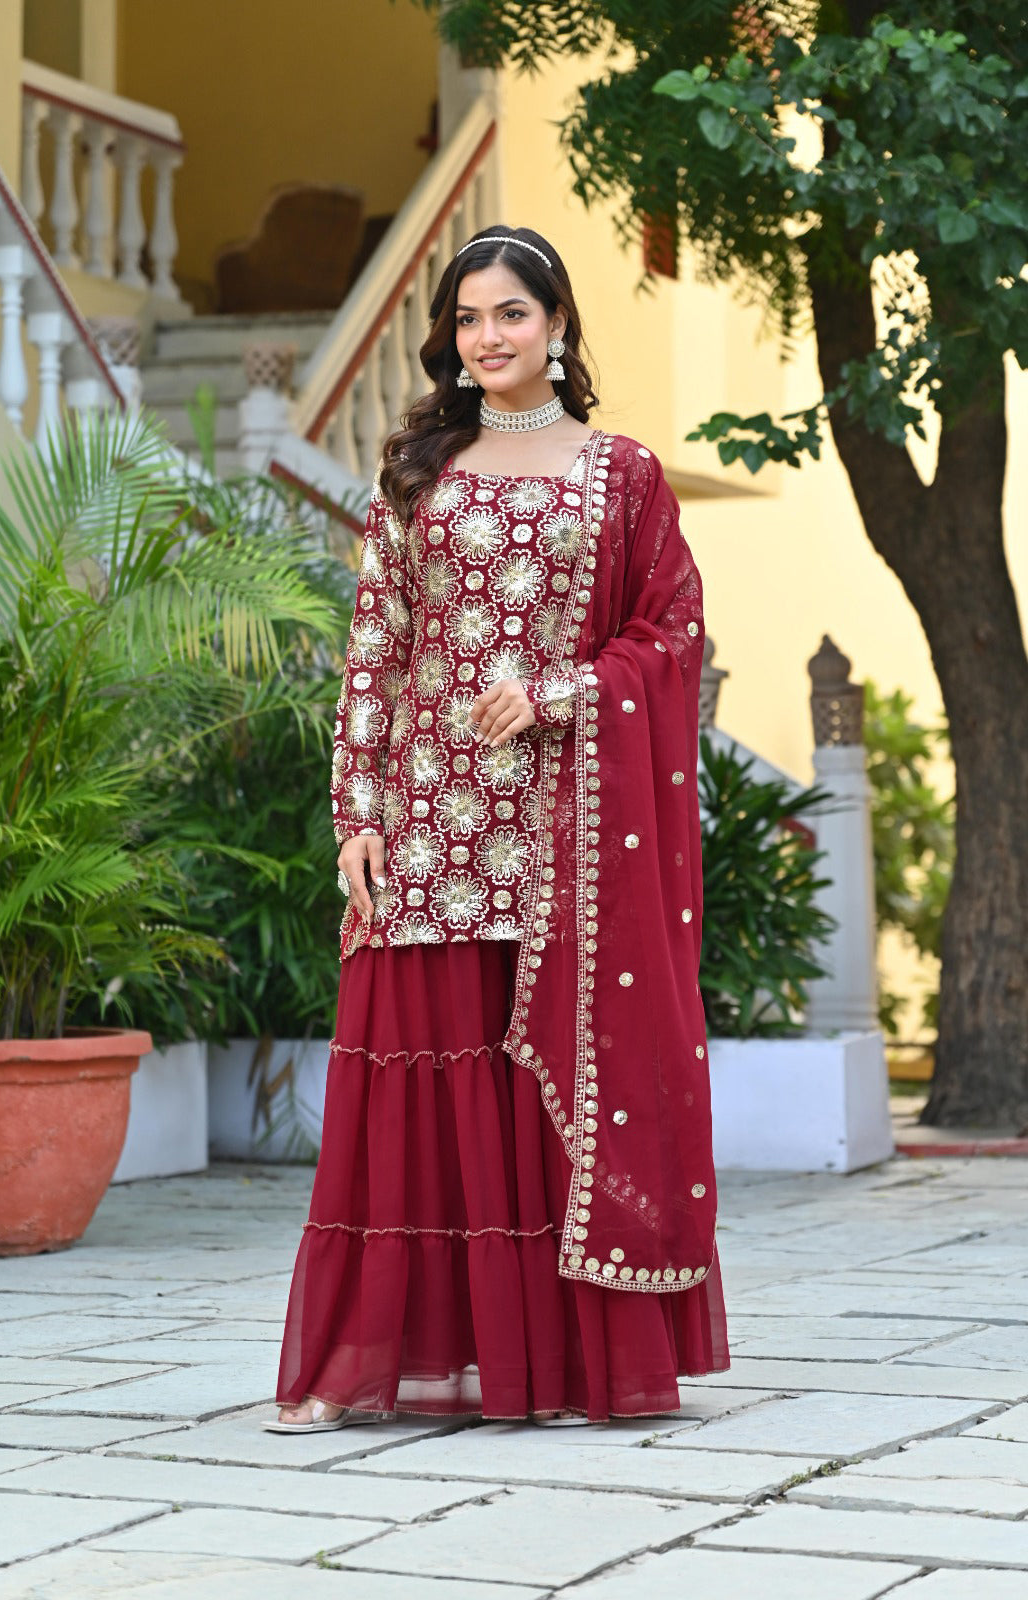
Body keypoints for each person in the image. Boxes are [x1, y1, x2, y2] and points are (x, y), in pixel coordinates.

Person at [266, 225, 729, 1432]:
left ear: (558, 325)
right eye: (469, 319)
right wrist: (354, 812)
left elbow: (670, 633)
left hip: (562, 830)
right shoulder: (418, 470)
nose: (488, 337)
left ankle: (554, 1364)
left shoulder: (619, 474)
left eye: (510, 314)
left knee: (538, 1088)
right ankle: (359, 1366)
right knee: (424, 1088)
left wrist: (563, 692)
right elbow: (374, 653)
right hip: (425, 827)